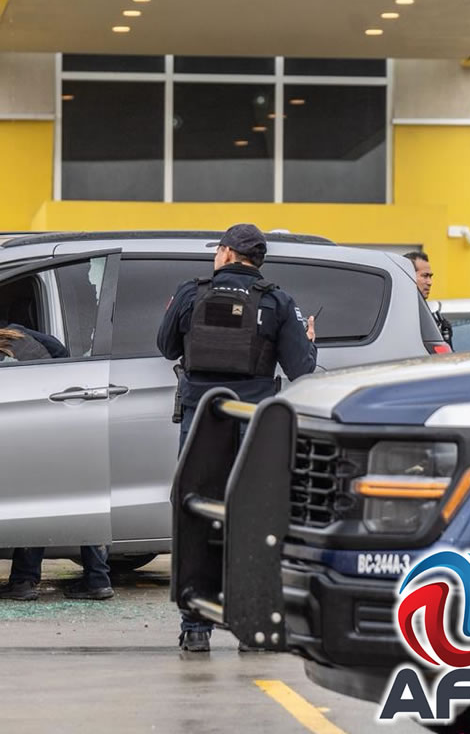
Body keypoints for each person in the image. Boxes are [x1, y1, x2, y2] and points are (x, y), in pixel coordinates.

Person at [156, 223, 317, 651]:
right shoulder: (278, 300)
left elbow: (165, 346)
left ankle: (195, 628)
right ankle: (251, 630)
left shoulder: (191, 292)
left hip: (201, 421)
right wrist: (310, 340)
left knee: (196, 514)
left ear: (227, 254)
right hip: (254, 422)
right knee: (253, 519)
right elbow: (302, 368)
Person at [0, 320, 113, 601]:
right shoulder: (11, 331)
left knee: (36, 498)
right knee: (82, 496)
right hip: (68, 412)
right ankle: (97, 579)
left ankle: (24, 582)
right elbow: (58, 349)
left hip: (40, 424)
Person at [404, 250, 453, 346]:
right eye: (425, 276)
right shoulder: (397, 310)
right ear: (408, 275)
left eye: (430, 276)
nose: (430, 282)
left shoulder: (423, 312)